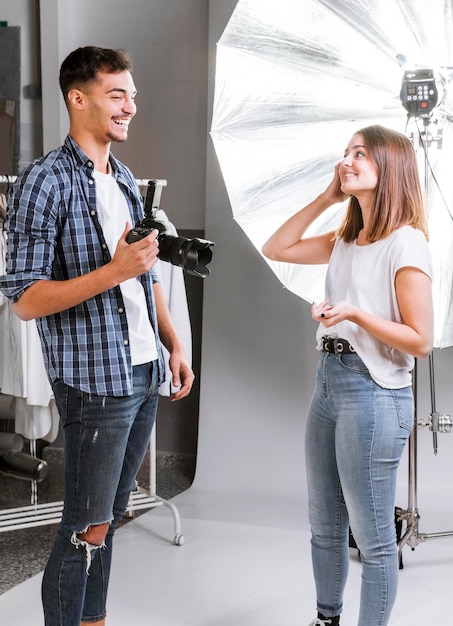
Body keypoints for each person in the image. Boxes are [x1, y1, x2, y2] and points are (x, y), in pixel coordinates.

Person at [0, 46, 194, 626]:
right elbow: (25, 298)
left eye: (132, 95)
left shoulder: (127, 178)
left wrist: (173, 344)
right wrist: (114, 271)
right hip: (93, 381)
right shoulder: (45, 181)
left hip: (140, 369)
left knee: (110, 516)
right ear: (76, 98)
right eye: (117, 94)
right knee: (85, 525)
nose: (131, 106)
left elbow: (148, 273)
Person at [262, 125, 433, 626]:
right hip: (329, 384)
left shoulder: (407, 244)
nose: (346, 161)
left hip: (375, 394)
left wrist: (354, 315)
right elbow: (279, 246)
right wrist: (327, 196)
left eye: (360, 154)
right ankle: (326, 619)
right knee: (324, 526)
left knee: (375, 538)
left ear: (390, 167)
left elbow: (420, 340)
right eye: (345, 154)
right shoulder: (347, 238)